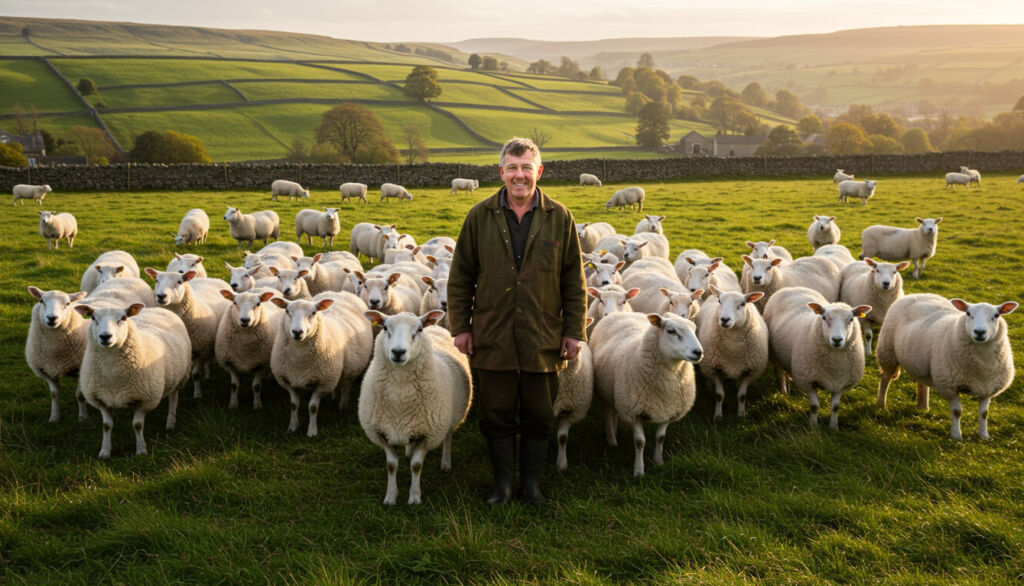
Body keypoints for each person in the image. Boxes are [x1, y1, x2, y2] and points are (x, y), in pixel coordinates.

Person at [448, 136, 587, 505]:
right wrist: (460, 327)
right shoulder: (479, 216)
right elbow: (461, 276)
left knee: (540, 415)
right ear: (501, 172)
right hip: (492, 334)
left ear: (539, 171)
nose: (520, 175)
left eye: (527, 168)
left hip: (542, 335)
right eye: (512, 168)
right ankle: (503, 487)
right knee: (496, 414)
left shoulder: (560, 217)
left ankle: (532, 487)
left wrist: (574, 332)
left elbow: (574, 281)